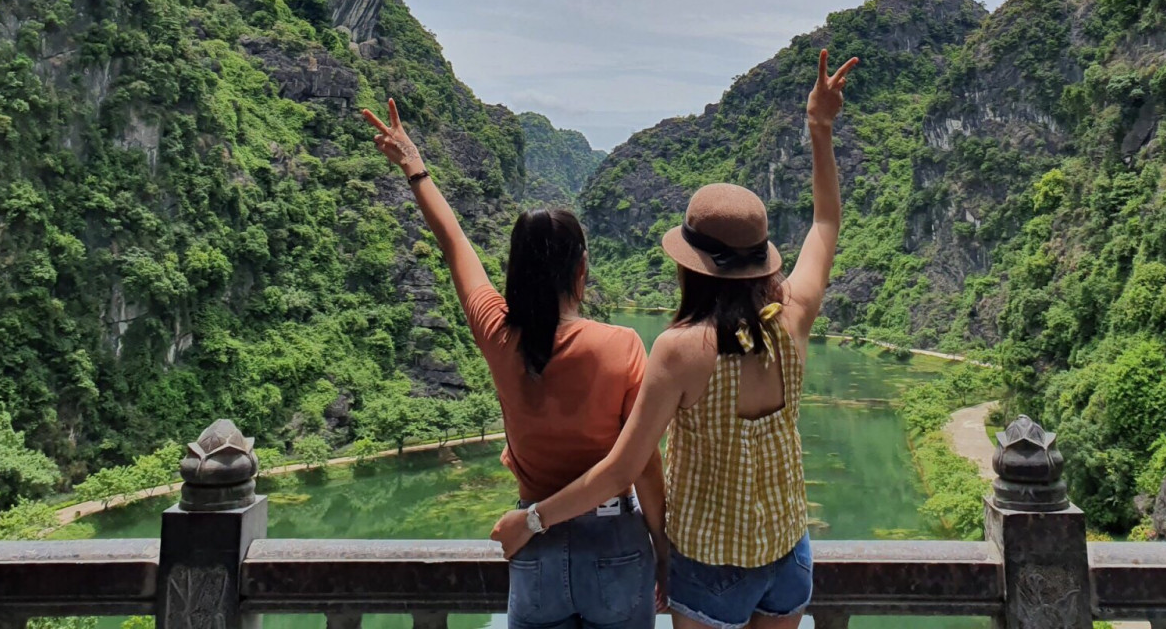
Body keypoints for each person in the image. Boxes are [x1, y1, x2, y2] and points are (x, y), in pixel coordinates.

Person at [491, 48, 859, 629]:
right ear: (762, 260)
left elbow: (621, 471)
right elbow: (826, 223)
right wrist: (819, 127)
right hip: (788, 554)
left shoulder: (681, 350)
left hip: (711, 564)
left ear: (690, 266)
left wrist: (531, 520)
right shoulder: (793, 318)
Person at [362, 99, 666, 629]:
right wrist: (662, 546)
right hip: (614, 544)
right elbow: (643, 464)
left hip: (535, 542)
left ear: (516, 268)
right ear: (582, 271)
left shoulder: (498, 334)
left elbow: (453, 241)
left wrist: (415, 166)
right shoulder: (622, 346)